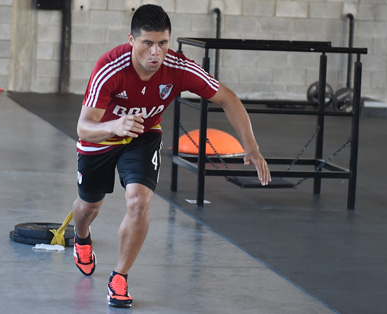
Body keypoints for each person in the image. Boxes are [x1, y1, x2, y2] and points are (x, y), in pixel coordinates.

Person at [71, 4, 271, 308]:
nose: (156, 52)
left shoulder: (178, 68)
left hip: (143, 136)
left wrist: (252, 148)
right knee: (88, 206)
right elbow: (84, 128)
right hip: (101, 138)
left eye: (163, 43)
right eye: (147, 43)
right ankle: (82, 237)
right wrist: (115, 124)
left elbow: (228, 99)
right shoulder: (110, 67)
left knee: (139, 202)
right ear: (131, 40)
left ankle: (119, 276)